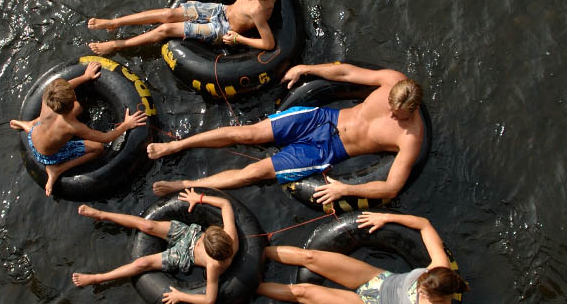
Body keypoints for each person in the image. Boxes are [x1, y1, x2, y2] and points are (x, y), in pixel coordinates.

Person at [148, 62, 426, 203]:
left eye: (397, 115)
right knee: (249, 134)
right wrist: (306, 68)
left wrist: (346, 189)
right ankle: (176, 146)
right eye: (390, 106)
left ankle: (184, 185)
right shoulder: (392, 80)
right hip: (321, 118)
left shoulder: (410, 137)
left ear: (412, 111)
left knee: (255, 173)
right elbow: (346, 74)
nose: (391, 113)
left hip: (326, 151)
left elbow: (391, 187)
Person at [259, 212, 469, 304]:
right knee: (309, 256)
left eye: (422, 291)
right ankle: (255, 255)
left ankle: (250, 286)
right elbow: (424, 224)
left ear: (438, 297)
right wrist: (386, 217)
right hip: (377, 278)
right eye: (421, 282)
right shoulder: (440, 265)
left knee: (302, 292)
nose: (417, 288)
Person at [72, 188, 236, 304]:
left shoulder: (214, 266)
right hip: (190, 233)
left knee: (141, 264)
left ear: (213, 255)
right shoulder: (230, 236)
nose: (201, 242)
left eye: (203, 244)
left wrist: (181, 296)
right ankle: (102, 214)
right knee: (147, 225)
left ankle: (97, 278)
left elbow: (209, 300)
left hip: (185, 255)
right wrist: (199, 197)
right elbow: (225, 204)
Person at [10, 61, 147, 196]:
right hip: (50, 156)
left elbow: (65, 88)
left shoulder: (47, 98)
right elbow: (106, 137)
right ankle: (57, 169)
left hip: (33, 136)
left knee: (44, 121)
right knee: (97, 148)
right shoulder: (73, 126)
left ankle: (26, 125)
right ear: (73, 97)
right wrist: (126, 125)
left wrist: (85, 77)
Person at [87, 0, 279, 56]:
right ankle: (114, 23)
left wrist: (238, 39)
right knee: (168, 14)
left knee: (165, 29)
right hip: (221, 10)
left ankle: (116, 44)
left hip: (222, 29)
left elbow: (268, 44)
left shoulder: (258, 10)